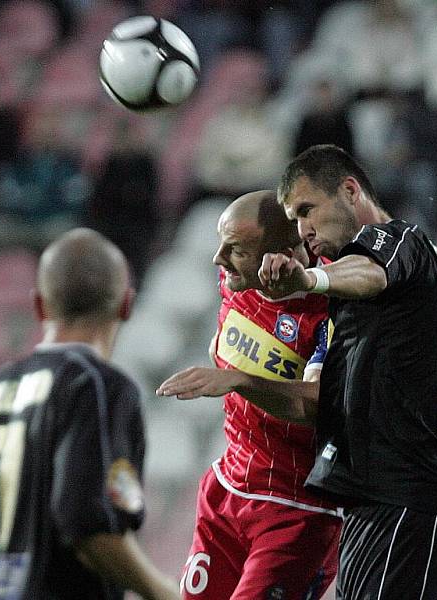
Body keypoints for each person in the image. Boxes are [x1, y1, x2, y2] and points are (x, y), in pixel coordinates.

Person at [255, 144, 437, 600]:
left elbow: (371, 272)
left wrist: (309, 280)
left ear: (350, 191)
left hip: (410, 501)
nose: (303, 230)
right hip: (380, 504)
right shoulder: (424, 307)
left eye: (307, 210)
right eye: (294, 219)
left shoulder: (398, 239)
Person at [0, 228, 180, 600]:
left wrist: (13, 579)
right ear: (126, 305)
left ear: (39, 306)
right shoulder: (99, 387)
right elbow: (89, 525)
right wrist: (168, 595)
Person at [157, 190, 343, 600]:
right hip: (227, 491)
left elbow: (315, 404)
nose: (218, 259)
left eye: (236, 250)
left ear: (284, 255)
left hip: (295, 511)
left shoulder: (333, 310)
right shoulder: (234, 283)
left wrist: (241, 381)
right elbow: (226, 340)